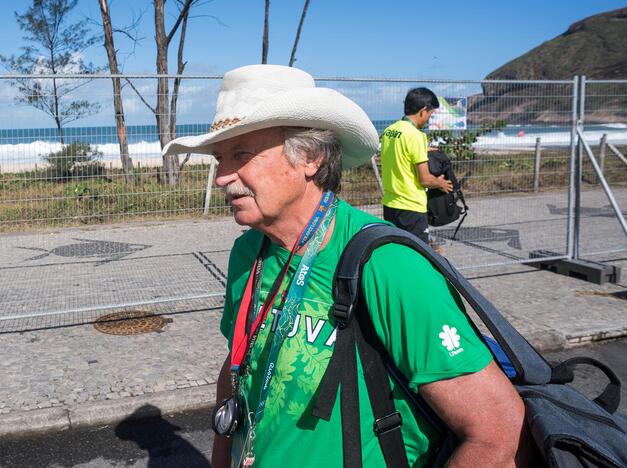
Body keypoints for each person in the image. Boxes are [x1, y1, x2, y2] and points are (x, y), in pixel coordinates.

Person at [163, 65, 530, 467]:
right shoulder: (248, 252)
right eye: (219, 158)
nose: (221, 177)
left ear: (310, 157)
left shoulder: (388, 264)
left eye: (241, 155)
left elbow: (497, 434)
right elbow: (236, 367)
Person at [380, 87, 453, 247]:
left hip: (391, 205)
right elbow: (425, 179)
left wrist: (422, 149)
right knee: (418, 257)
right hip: (411, 208)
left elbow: (400, 152)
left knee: (398, 253)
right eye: (430, 114)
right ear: (423, 110)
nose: (428, 119)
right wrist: (441, 183)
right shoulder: (416, 136)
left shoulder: (389, 131)